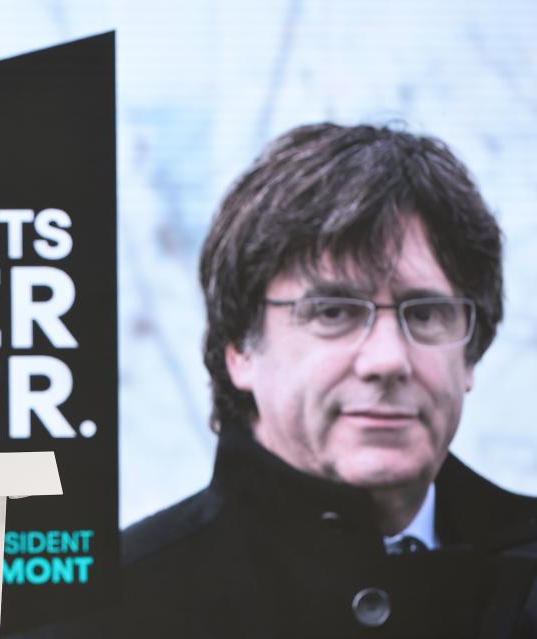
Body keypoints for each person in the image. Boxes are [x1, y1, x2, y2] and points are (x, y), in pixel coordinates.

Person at [105, 124, 537, 638]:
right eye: (333, 312)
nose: (388, 360)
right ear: (240, 348)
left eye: (425, 315)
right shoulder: (110, 612)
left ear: (469, 355)